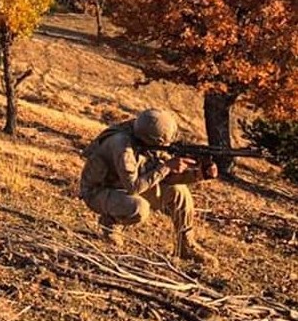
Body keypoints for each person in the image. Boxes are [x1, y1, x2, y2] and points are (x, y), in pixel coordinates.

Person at [79, 108, 217, 266]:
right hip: (99, 190)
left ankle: (186, 246)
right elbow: (134, 187)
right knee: (139, 208)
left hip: (124, 184)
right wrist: (166, 167)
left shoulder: (145, 137)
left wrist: (200, 174)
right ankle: (110, 221)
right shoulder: (122, 145)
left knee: (180, 193)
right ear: (153, 139)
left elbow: (166, 178)